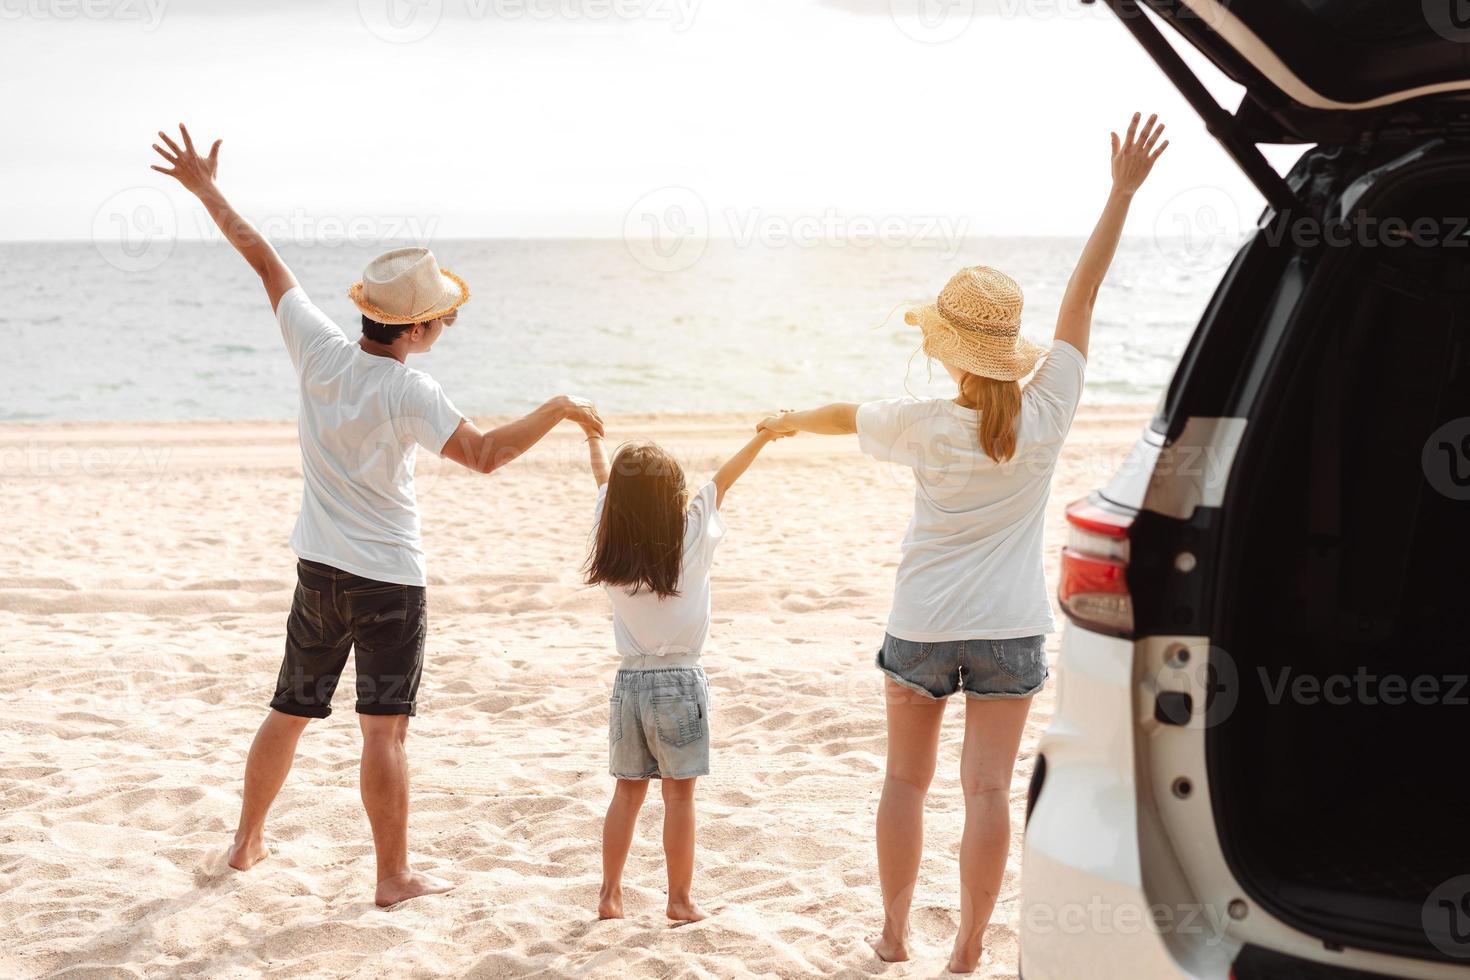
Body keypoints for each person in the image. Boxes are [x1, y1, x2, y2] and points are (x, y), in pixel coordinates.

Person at [150, 124, 605, 908]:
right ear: (417, 329)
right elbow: (488, 455)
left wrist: (205, 189)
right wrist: (560, 408)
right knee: (383, 731)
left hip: (317, 572)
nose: (442, 329)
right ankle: (391, 877)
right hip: (389, 582)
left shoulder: (318, 348)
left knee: (289, 711)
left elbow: (262, 256)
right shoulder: (410, 391)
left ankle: (246, 840)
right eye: (439, 320)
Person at [757, 113, 1168, 972]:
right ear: (1010, 350)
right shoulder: (1048, 408)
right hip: (1011, 628)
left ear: (948, 350)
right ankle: (970, 945)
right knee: (987, 791)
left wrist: (788, 421)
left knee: (904, 785)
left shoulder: (923, 424)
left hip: (924, 622)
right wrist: (1121, 192)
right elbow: (1082, 298)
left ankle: (894, 933)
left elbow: (841, 415)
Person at [582, 429, 788, 922]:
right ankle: (678, 899)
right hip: (678, 682)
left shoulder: (609, 539)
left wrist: (591, 434)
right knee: (679, 795)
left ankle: (610, 895)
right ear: (673, 497)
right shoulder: (690, 538)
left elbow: (603, 479)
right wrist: (765, 436)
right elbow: (723, 480)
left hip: (628, 683)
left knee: (627, 792)